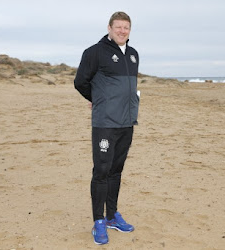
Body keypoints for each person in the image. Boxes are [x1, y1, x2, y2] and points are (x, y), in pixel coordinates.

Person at [74, 11, 139, 245]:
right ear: (110, 28)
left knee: (116, 171)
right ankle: (99, 221)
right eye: (118, 27)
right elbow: (80, 82)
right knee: (101, 172)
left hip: (126, 123)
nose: (122, 31)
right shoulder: (94, 52)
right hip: (104, 124)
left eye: (126, 28)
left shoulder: (133, 55)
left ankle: (112, 216)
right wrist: (97, 98)